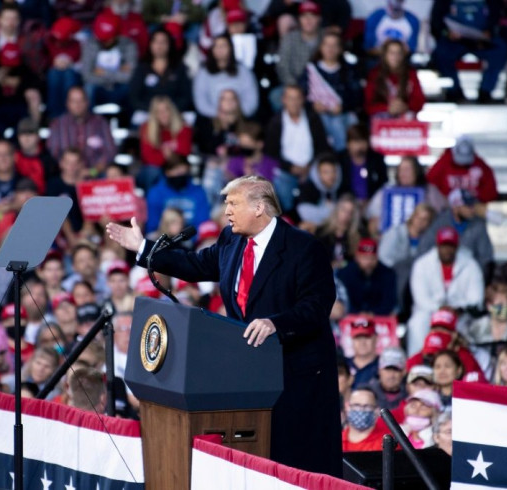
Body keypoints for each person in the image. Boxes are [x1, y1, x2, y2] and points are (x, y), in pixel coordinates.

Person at [105, 175, 342, 476]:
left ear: (259, 207)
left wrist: (274, 324)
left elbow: (316, 307)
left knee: (296, 463)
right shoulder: (231, 240)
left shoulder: (303, 248)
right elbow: (196, 264)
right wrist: (143, 247)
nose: (226, 210)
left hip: (296, 375)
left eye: (233, 203)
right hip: (250, 371)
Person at [407, 227, 484, 354]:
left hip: (460, 314)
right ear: (437, 245)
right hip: (429, 312)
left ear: (457, 246)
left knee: (475, 326)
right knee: (417, 323)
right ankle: (418, 362)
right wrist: (440, 308)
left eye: (450, 246)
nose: (447, 250)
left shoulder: (470, 265)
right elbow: (420, 298)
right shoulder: (422, 264)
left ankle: (465, 364)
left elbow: (476, 298)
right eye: (443, 246)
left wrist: (457, 309)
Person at [264, 84, 329, 212]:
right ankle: (286, 218)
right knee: (279, 183)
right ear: (284, 100)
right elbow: (271, 153)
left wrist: (310, 166)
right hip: (286, 170)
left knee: (325, 177)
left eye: (297, 98)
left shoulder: (313, 119)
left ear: (303, 100)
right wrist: (290, 168)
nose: (294, 102)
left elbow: (322, 146)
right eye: (290, 98)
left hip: (311, 168)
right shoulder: (275, 122)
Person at [430, 0, 507, 103]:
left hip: (482, 39)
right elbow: (436, 21)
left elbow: (496, 16)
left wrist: (489, 31)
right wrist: (447, 33)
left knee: (500, 50)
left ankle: (485, 91)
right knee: (441, 53)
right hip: (455, 40)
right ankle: (454, 91)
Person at [47, 87, 116, 178]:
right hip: (65, 175)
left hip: (94, 174)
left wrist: (91, 171)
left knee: (113, 172)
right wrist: (70, 169)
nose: (77, 105)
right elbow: (53, 153)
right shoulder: (57, 124)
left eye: (81, 101)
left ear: (87, 102)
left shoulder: (100, 123)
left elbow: (110, 151)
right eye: (74, 101)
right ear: (67, 103)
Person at [128, 28, 192, 118]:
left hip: (174, 113)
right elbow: (134, 97)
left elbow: (186, 96)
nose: (159, 45)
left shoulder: (179, 68)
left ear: (169, 45)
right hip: (147, 113)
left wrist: (168, 111)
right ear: (150, 44)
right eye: (156, 42)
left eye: (163, 42)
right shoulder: (142, 68)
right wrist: (155, 111)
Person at [81, 11, 138, 109]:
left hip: (120, 88)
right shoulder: (90, 44)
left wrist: (103, 72)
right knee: (88, 88)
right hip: (98, 87)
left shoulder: (129, 45)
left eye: (108, 39)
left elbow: (131, 76)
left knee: (132, 88)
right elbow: (86, 75)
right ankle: (87, 123)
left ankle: (130, 123)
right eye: (102, 40)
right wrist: (119, 71)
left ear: (116, 35)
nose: (104, 42)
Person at [194, 34, 259, 119]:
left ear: (231, 48)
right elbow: (201, 101)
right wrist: (218, 114)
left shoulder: (243, 71)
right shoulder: (203, 73)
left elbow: (251, 100)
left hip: (241, 118)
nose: (220, 49)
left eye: (223, 46)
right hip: (212, 119)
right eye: (216, 46)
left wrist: (236, 114)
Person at [145, 156, 211, 235]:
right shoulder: (156, 192)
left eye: (183, 173)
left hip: (191, 238)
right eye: (177, 172)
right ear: (167, 172)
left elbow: (202, 222)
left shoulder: (198, 191)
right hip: (162, 236)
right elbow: (153, 224)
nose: (180, 176)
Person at [138, 96, 193, 189]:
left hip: (176, 167)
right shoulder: (146, 128)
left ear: (171, 111)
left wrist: (166, 151)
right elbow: (148, 158)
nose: (163, 114)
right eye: (159, 112)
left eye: (166, 110)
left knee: (181, 171)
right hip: (154, 169)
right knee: (153, 172)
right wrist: (168, 153)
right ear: (154, 114)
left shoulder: (183, 127)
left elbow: (186, 150)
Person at [427, 135, 499, 205]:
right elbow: (430, 182)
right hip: (446, 208)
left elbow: (490, 192)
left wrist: (476, 201)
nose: (462, 165)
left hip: (473, 209)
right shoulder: (444, 162)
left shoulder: (481, 166)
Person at [365, 39, 425, 119]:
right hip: (381, 117)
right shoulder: (374, 74)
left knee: (409, 116)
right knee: (379, 117)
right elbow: (368, 105)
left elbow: (419, 100)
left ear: (403, 55)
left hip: (405, 116)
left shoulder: (411, 73)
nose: (395, 57)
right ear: (385, 55)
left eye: (399, 53)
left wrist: (405, 107)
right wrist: (387, 108)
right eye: (392, 53)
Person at [337, 238, 397, 316]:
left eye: (372, 258)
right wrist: (358, 313)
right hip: (350, 316)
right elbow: (342, 300)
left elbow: (389, 302)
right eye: (365, 258)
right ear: (357, 257)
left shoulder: (387, 274)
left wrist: (372, 314)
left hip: (379, 318)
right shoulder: (345, 273)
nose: (369, 262)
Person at [342, 386, 388, 452]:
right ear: (347, 407)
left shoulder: (387, 443)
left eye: (367, 406)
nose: (361, 410)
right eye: (356, 405)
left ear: (377, 410)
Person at [346, 317, 379, 389]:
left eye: (367, 337)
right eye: (358, 338)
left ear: (376, 338)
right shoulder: (343, 366)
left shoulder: (383, 367)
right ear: (352, 340)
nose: (362, 342)